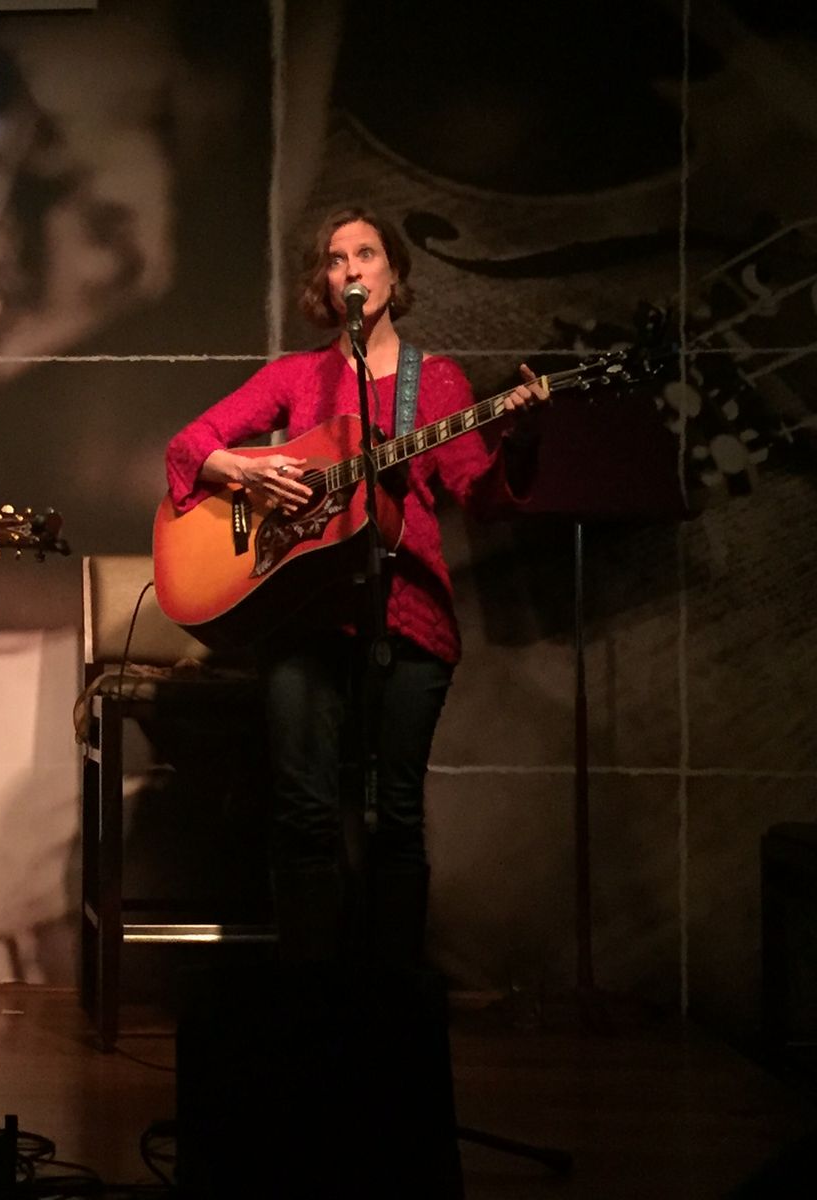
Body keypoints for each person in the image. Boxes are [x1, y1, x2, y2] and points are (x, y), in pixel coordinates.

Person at [163, 207, 548, 969]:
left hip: (408, 614)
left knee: (396, 815)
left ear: (393, 275)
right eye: (336, 259)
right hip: (305, 615)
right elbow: (190, 444)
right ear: (326, 282)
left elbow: (480, 495)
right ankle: (313, 994)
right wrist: (245, 470)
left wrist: (522, 438)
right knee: (303, 812)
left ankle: (391, 995)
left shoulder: (435, 381)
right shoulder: (297, 375)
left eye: (366, 255)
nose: (351, 270)